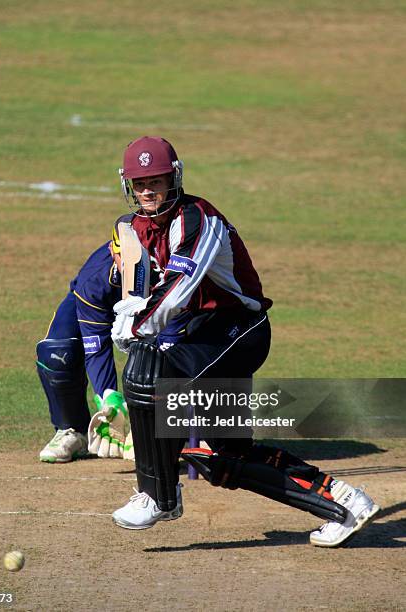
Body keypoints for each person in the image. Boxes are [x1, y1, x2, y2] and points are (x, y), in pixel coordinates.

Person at [110, 136, 380, 547]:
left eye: (157, 181)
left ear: (175, 178)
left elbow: (181, 286)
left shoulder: (198, 219)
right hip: (207, 336)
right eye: (140, 182)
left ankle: (158, 495)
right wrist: (133, 308)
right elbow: (152, 283)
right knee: (226, 458)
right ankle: (344, 502)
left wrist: (137, 325)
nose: (148, 190)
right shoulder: (139, 225)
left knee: (149, 367)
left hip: (240, 331)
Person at [36, 237, 133, 463]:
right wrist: (109, 401)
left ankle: (163, 433)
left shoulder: (169, 268)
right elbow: (96, 347)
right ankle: (72, 431)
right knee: (57, 354)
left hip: (161, 301)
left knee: (159, 355)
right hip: (100, 300)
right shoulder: (96, 279)